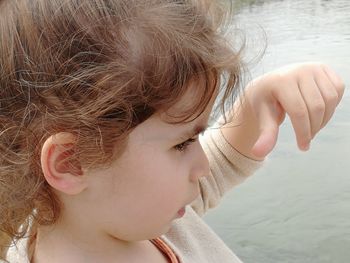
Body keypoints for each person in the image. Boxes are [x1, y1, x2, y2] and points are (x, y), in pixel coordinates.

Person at [0, 0, 344, 262]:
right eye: (183, 144)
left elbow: (219, 161)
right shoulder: (140, 211)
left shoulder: (135, 215)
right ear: (71, 162)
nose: (203, 166)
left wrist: (258, 100)